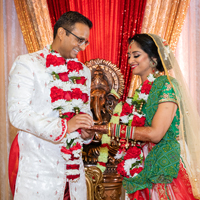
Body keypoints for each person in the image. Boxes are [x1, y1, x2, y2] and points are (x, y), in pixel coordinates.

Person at [90, 33, 200, 199]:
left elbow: (155, 134)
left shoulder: (167, 85)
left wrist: (112, 129)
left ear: (154, 58)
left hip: (162, 168)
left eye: (136, 55)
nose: (130, 61)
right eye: (129, 56)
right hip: (142, 165)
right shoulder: (138, 93)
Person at [8, 11, 94, 200]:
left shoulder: (84, 72)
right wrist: (64, 127)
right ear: (62, 33)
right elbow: (18, 113)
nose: (82, 47)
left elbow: (84, 112)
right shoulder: (28, 64)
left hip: (73, 173)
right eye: (79, 40)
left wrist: (87, 132)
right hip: (39, 167)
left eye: (85, 42)